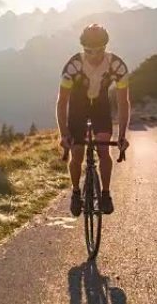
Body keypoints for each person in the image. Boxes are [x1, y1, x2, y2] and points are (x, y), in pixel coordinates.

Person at [55, 24, 130, 216]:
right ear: (83, 48)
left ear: (106, 47)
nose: (94, 55)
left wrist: (122, 136)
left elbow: (123, 103)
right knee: (77, 152)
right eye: (89, 51)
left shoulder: (117, 66)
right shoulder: (73, 66)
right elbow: (62, 102)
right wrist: (64, 134)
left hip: (101, 108)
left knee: (104, 148)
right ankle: (75, 192)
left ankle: (105, 194)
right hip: (77, 108)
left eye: (99, 51)